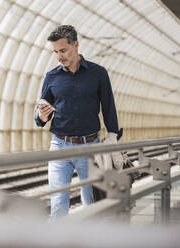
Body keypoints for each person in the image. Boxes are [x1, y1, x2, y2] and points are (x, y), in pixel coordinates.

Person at [34, 25, 122, 217]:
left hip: (89, 148)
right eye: (56, 52)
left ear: (76, 45)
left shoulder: (98, 73)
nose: (59, 56)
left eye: (63, 50)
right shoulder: (51, 77)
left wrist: (113, 134)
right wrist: (41, 116)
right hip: (59, 146)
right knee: (58, 203)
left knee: (91, 203)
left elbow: (108, 105)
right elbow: (42, 109)